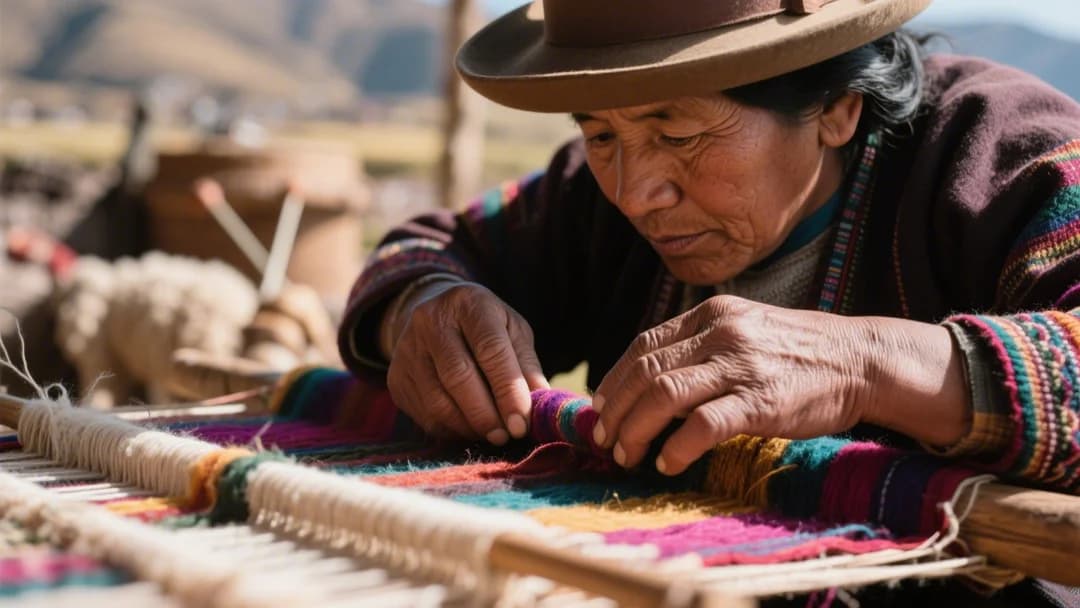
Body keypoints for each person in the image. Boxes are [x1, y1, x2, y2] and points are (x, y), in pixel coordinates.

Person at [339, 0, 1080, 497]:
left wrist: (866, 365)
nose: (636, 193)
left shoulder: (1012, 158)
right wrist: (421, 309)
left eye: (680, 135)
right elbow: (423, 250)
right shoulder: (591, 195)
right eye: (601, 135)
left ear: (835, 108)